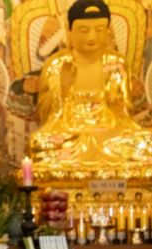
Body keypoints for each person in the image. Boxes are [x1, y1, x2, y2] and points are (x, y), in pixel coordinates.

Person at [31, 0, 152, 168]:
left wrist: (104, 127)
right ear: (70, 31)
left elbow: (123, 113)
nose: (92, 37)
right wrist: (63, 90)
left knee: (145, 142)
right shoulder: (58, 65)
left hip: (109, 132)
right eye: (84, 30)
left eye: (99, 30)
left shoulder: (116, 63)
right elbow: (48, 115)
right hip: (69, 132)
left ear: (109, 32)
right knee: (39, 142)